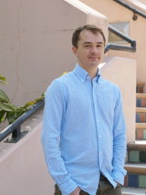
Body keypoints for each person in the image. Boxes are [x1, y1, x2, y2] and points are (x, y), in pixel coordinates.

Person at [41, 25, 127, 195]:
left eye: (99, 45)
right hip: (76, 186)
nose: (94, 51)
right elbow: (49, 139)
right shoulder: (60, 88)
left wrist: (118, 174)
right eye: (87, 45)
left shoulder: (113, 91)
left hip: (110, 183)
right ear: (75, 50)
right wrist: (67, 185)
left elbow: (119, 135)